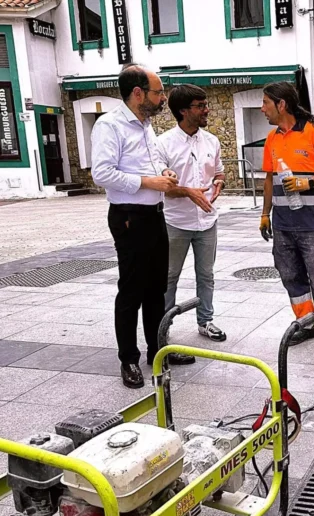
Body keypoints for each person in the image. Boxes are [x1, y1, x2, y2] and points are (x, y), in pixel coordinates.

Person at [91, 65, 210, 389]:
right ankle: (128, 358)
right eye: (158, 93)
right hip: (129, 216)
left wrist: (164, 174)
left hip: (155, 213)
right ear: (138, 93)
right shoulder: (110, 125)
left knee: (157, 289)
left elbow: (153, 163)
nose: (162, 99)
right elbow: (101, 173)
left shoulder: (145, 126)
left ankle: (158, 350)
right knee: (132, 290)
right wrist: (149, 180)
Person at [259, 82, 314, 359]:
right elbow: (270, 180)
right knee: (292, 278)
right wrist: (264, 214)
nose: (262, 109)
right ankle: (307, 325)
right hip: (283, 226)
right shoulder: (273, 138)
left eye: (265, 103)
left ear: (281, 104)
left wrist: (307, 183)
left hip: (311, 226)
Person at [158, 84, 227, 349]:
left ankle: (205, 321)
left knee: (206, 274)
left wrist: (220, 182)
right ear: (183, 111)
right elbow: (162, 185)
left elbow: (218, 172)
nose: (206, 110)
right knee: (169, 276)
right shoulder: (163, 143)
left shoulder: (212, 140)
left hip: (208, 220)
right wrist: (188, 193)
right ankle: (164, 325)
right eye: (200, 106)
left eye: (205, 104)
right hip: (175, 222)